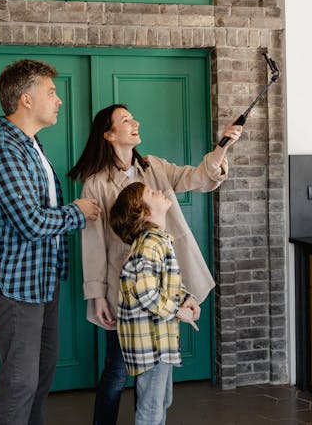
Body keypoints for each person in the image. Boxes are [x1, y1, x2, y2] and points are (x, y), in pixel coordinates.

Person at [68, 104, 242, 424]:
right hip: (125, 289)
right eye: (125, 120)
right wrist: (96, 293)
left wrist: (222, 147)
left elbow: (199, 177)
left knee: (158, 371)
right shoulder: (96, 183)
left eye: (133, 117)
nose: (135, 122)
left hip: (164, 284)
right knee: (117, 370)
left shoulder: (155, 168)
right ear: (109, 135)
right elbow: (92, 241)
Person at [0, 59, 101, 425]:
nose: (58, 100)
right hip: (15, 285)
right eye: (51, 92)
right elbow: (30, 222)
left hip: (41, 282)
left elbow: (37, 213)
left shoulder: (31, 146)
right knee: (19, 382)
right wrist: (77, 211)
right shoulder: (3, 148)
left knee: (40, 378)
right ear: (26, 99)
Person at [109, 182, 200, 425]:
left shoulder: (157, 241)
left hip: (160, 341)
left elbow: (164, 285)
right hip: (151, 345)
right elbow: (146, 293)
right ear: (144, 213)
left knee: (160, 402)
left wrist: (186, 297)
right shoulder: (149, 245)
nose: (158, 191)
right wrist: (179, 311)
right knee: (151, 408)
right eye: (151, 193)